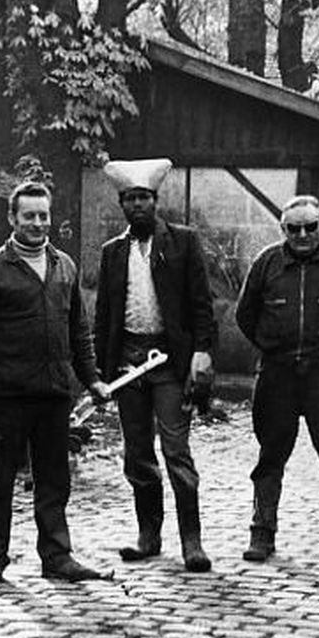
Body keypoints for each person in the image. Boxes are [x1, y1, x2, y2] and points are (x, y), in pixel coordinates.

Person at [0, 180, 113, 587]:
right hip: (8, 395)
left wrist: (93, 380)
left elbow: (79, 331)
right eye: (29, 215)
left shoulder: (64, 266)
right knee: (0, 481)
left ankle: (57, 556)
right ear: (12, 218)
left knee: (54, 479)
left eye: (43, 215)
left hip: (54, 394)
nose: (37, 223)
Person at [93, 158, 217, 572]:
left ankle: (192, 542)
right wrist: (99, 372)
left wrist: (202, 351)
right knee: (137, 453)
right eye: (131, 199)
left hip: (169, 362)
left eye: (144, 198)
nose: (138, 205)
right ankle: (149, 536)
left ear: (156, 201)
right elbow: (104, 316)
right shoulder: (113, 252)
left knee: (176, 451)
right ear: (122, 203)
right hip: (127, 363)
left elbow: (202, 305)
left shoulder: (183, 242)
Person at [235, 195, 319, 569]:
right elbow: (246, 315)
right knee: (269, 458)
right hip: (278, 375)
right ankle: (262, 534)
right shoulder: (267, 263)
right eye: (294, 229)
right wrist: (274, 346)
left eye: (310, 227)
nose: (303, 235)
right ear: (283, 230)